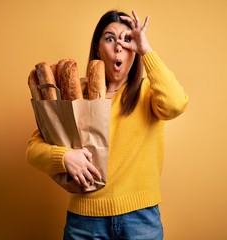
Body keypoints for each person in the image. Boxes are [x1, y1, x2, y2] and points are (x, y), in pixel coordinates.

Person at [26, 9, 189, 240]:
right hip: (84, 221)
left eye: (127, 39)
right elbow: (32, 149)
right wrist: (64, 157)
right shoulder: (75, 95)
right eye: (110, 38)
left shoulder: (148, 94)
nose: (119, 46)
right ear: (97, 48)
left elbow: (176, 104)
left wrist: (146, 50)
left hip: (141, 219)